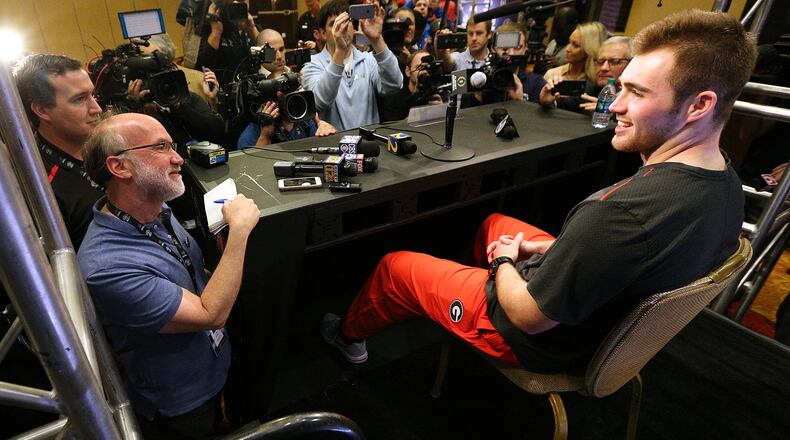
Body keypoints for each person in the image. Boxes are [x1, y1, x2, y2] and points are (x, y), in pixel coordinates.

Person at [321, 10, 756, 374]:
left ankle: (348, 335)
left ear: (700, 105)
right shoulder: (726, 186)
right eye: (621, 86)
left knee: (396, 266)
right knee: (493, 224)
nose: (616, 104)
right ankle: (464, 296)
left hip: (537, 336)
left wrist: (506, 263)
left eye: (636, 92)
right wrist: (538, 255)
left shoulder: (620, 215)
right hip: (598, 314)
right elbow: (621, 256)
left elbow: (529, 316)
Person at [78, 113, 260, 439]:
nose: (177, 157)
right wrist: (240, 233)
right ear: (120, 167)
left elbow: (191, 271)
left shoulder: (155, 207)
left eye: (171, 144)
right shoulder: (107, 267)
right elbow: (211, 314)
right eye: (161, 147)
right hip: (183, 402)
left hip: (213, 368)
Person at [12, 54, 104, 251]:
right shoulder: (41, 189)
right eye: (79, 99)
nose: (97, 108)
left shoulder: (111, 144)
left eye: (93, 95)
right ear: (42, 110)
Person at [300, 0, 402, 131]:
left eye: (345, 22)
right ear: (323, 34)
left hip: (369, 145)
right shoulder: (312, 64)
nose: (341, 28)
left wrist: (377, 40)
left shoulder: (367, 59)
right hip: (334, 146)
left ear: (353, 28)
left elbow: (394, 86)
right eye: (334, 24)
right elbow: (320, 101)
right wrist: (340, 51)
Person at [237, 29, 337, 147]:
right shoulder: (252, 131)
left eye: (282, 49)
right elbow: (250, 164)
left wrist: (322, 128)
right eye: (272, 52)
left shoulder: (304, 121)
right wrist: (265, 136)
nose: (279, 56)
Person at [540, 36, 632, 112]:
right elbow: (571, 104)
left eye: (615, 61)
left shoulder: (637, 98)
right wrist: (549, 101)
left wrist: (611, 113)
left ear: (632, 64)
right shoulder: (593, 88)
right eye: (600, 61)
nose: (604, 68)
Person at [196, 0, 260, 88]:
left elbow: (271, 58)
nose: (236, 3)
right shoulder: (210, 30)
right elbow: (203, 69)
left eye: (241, 0)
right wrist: (216, 31)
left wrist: (252, 29)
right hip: (222, 91)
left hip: (252, 89)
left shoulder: (252, 28)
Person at [378, 50, 444, 122]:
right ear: (408, 71)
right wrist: (417, 115)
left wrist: (441, 111)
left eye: (429, 68)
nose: (425, 72)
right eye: (420, 68)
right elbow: (390, 130)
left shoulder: (438, 94)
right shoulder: (394, 99)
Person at [493, 21, 547, 103]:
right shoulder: (484, 79)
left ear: (525, 47)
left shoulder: (536, 83)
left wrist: (520, 102)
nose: (511, 53)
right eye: (505, 48)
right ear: (493, 48)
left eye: (517, 48)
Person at [542, 21, 607, 83]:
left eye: (575, 45)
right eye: (569, 42)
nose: (567, 49)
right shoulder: (553, 74)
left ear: (588, 50)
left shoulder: (599, 80)